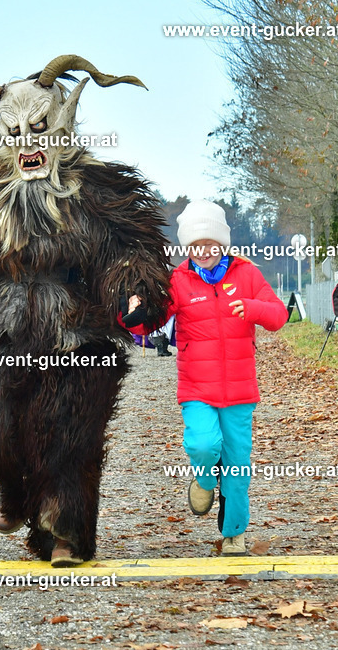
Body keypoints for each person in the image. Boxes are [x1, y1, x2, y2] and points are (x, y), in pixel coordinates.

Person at [120, 199, 288, 555]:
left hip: (240, 392)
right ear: (187, 247)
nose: (204, 251)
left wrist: (253, 308)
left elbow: (277, 316)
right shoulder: (178, 281)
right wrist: (130, 314)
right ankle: (205, 478)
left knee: (239, 467)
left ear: (222, 243)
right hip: (197, 387)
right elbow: (151, 321)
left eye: (210, 243)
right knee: (202, 445)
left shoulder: (247, 275)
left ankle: (234, 534)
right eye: (196, 245)